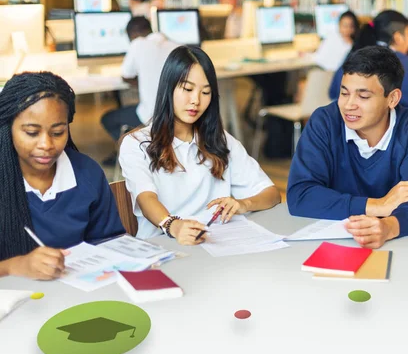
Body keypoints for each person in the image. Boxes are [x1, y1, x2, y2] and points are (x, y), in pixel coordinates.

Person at [119, 45, 281, 242]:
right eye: (187, 89)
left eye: (205, 92)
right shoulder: (137, 144)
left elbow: (271, 194)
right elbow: (146, 199)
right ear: (168, 88)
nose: (195, 100)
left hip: (219, 244)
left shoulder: (220, 140)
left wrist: (243, 204)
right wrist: (174, 225)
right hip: (164, 247)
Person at [287, 46, 408, 249]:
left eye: (363, 97)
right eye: (344, 93)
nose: (349, 105)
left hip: (400, 244)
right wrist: (379, 205)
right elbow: (300, 195)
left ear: (392, 98)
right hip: (331, 242)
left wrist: (388, 226)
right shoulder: (324, 122)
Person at [0, 72, 124, 279]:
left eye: (58, 132)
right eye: (31, 133)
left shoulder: (87, 174)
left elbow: (110, 243)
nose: (46, 145)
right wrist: (16, 266)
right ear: (7, 128)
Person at [101, 17, 179, 154]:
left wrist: (142, 81)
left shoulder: (138, 44)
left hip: (151, 115)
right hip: (177, 115)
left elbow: (126, 75)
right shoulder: (176, 46)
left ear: (133, 34)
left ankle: (134, 152)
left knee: (108, 119)